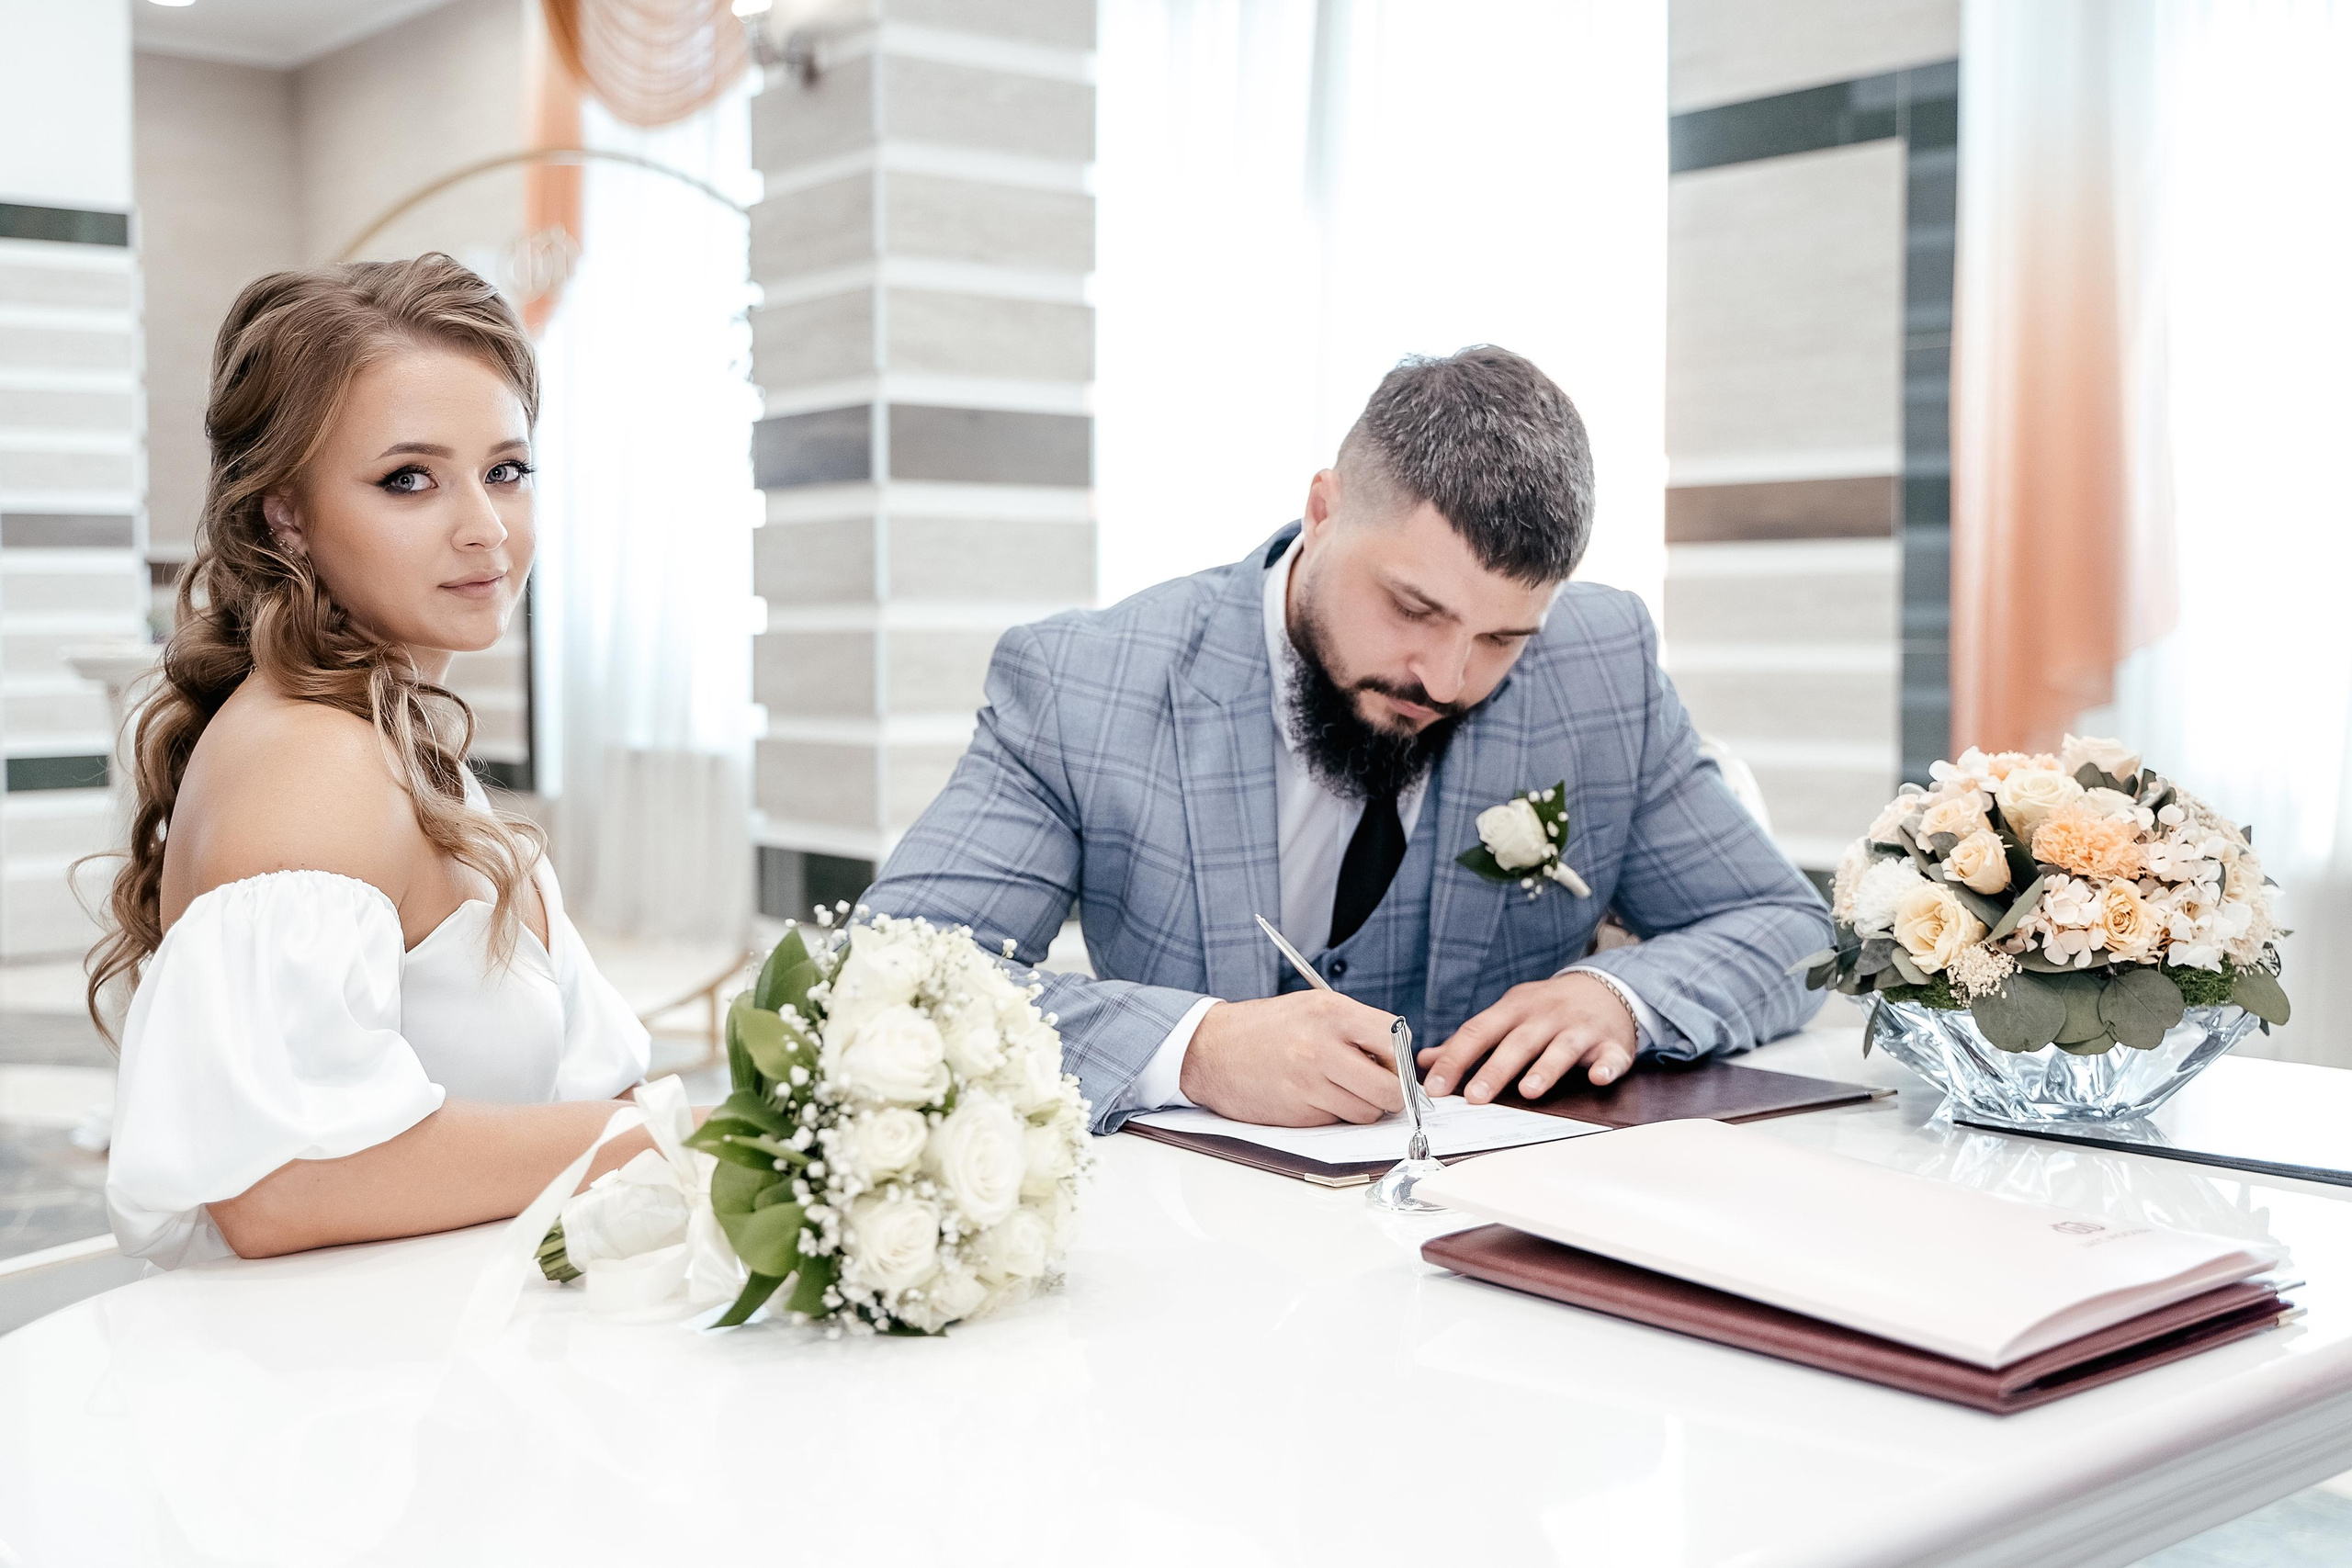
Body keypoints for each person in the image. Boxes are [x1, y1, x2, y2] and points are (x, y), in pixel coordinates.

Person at [866, 346, 1831, 1130]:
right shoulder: (1083, 686)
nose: (1448, 681)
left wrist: (1618, 997)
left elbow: (1785, 930)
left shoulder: (1599, 665)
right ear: (1323, 512)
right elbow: (889, 980)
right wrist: (1194, 1050)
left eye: (1501, 638)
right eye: (1413, 608)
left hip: (1507, 1249)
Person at [93, 255, 662, 1268]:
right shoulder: (309, 762)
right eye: (409, 479)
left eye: (506, 470)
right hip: (317, 1390)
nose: (485, 529)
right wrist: (656, 1139)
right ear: (288, 515)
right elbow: (278, 1185)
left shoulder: (387, 734)